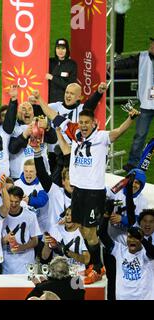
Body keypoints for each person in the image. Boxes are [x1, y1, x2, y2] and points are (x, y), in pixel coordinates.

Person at [37, 89, 140, 284]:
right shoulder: (75, 134)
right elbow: (54, 115)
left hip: (93, 193)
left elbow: (117, 133)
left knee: (91, 232)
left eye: (87, 123)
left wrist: (130, 119)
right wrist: (40, 99)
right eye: (81, 122)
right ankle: (93, 266)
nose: (83, 126)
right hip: (78, 191)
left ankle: (98, 268)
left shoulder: (101, 137)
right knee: (83, 231)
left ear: (94, 124)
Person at [117, 37, 154, 172]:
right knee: (140, 135)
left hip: (147, 103)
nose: (151, 45)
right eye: (151, 43)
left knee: (140, 134)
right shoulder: (143, 56)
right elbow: (128, 62)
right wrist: (113, 65)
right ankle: (132, 163)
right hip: (146, 104)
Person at [99, 216, 154, 300]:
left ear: (141, 239)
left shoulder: (145, 254)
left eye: (136, 238)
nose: (132, 240)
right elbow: (102, 235)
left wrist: (141, 238)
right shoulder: (119, 250)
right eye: (130, 237)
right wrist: (106, 216)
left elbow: (152, 253)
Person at [2, 186, 42, 274]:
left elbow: (35, 241)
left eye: (16, 202)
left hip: (26, 265)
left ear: (21, 200)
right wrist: (5, 240)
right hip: (6, 265)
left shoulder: (30, 215)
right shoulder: (0, 215)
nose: (13, 204)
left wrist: (21, 247)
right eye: (11, 201)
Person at [46, 38, 78, 103]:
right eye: (58, 48)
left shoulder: (72, 64)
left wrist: (52, 78)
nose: (60, 51)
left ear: (67, 50)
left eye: (63, 48)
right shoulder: (49, 62)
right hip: (48, 101)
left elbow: (70, 86)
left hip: (63, 102)